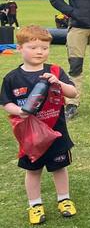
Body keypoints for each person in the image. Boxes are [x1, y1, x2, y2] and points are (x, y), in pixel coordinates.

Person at [0, 25, 79, 224]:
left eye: (44, 48)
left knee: (59, 168)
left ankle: (64, 199)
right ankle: (35, 204)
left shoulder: (55, 71)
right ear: (19, 48)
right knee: (33, 171)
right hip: (30, 137)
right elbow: (5, 102)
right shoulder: (12, 78)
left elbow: (73, 93)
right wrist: (19, 111)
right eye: (33, 47)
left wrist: (58, 83)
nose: (39, 52)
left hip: (56, 132)